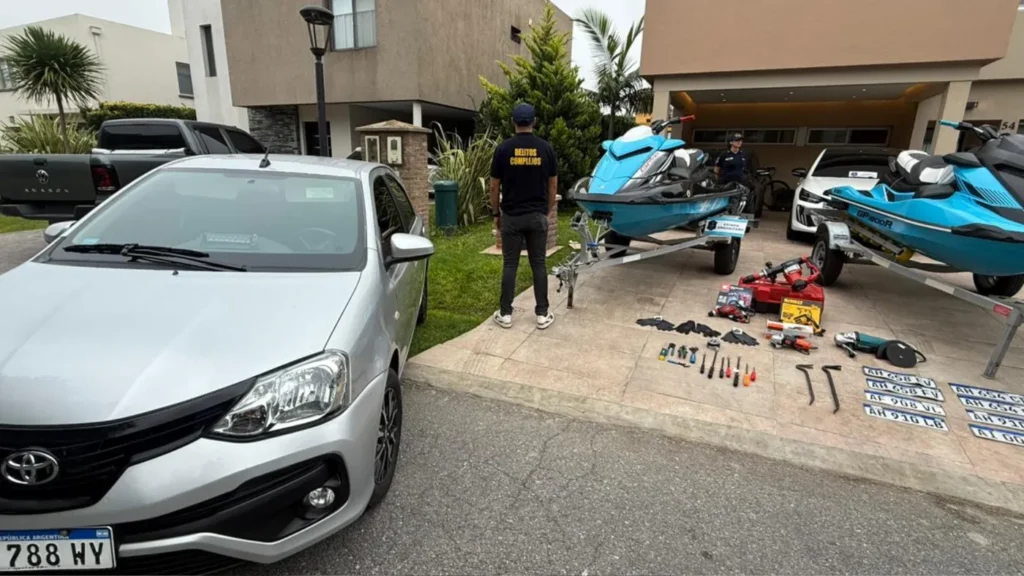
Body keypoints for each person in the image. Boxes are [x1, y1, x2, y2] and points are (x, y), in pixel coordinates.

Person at [489, 103, 558, 330]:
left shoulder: (503, 149)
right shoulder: (546, 149)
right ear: (534, 122)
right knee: (538, 263)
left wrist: (496, 213)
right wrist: (546, 210)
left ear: (513, 123)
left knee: (510, 264)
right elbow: (553, 184)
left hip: (511, 216)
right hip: (537, 216)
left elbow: (494, 187)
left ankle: (506, 314)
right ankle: (542, 314)